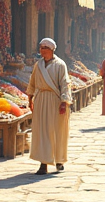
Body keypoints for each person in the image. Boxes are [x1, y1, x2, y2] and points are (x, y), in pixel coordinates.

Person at [26, 38, 74, 175]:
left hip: (55, 101)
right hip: (41, 99)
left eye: (45, 48)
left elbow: (65, 83)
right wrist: (30, 98)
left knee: (56, 130)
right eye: (41, 48)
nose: (42, 51)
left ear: (51, 49)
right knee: (42, 131)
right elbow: (32, 82)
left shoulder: (60, 65)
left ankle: (59, 160)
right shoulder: (38, 65)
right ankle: (43, 162)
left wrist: (64, 102)